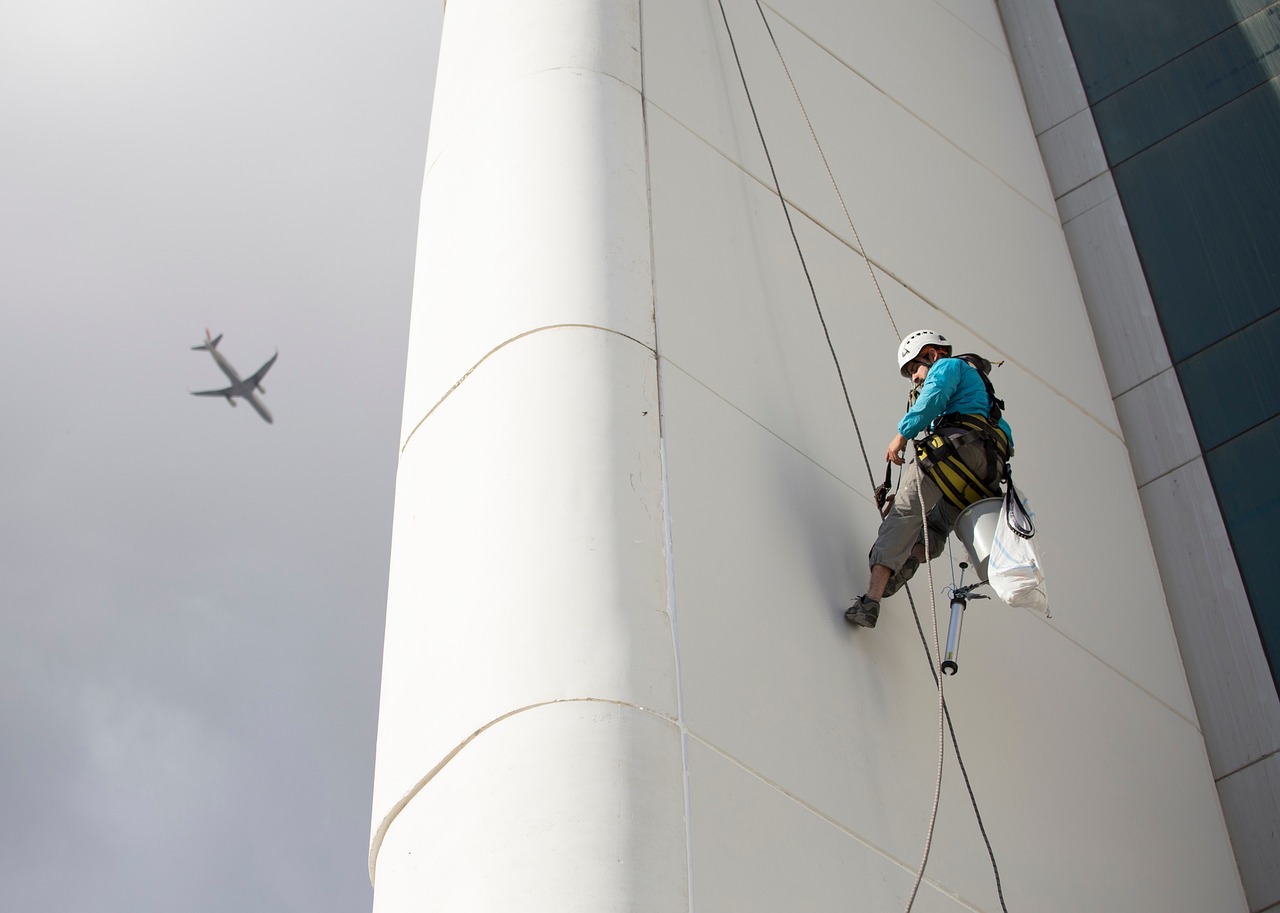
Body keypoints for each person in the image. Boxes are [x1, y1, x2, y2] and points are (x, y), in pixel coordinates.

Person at [845, 330, 1014, 629]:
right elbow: (1007, 439)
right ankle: (911, 560)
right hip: (985, 475)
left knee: (902, 516)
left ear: (932, 354)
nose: (913, 378)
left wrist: (901, 436)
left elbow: (932, 399)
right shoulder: (984, 397)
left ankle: (870, 601)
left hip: (953, 453)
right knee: (934, 527)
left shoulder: (947, 365)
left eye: (914, 368)